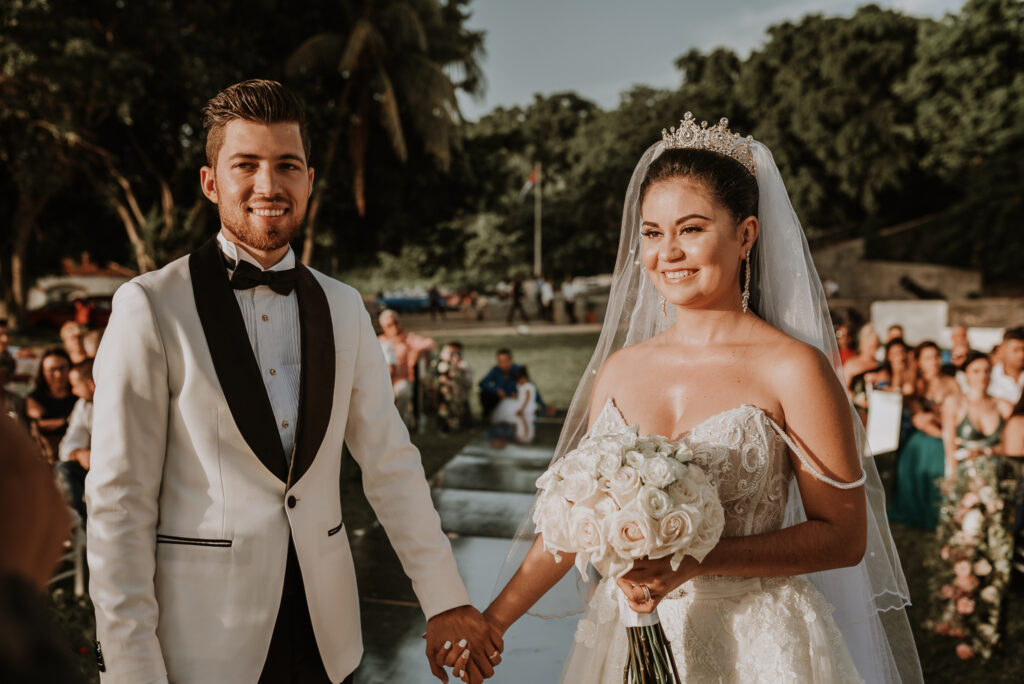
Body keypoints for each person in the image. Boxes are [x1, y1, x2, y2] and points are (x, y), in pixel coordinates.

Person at [458, 117, 920, 683]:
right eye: (651, 233)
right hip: (624, 639)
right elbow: (575, 522)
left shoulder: (794, 369)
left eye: (692, 228)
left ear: (746, 234)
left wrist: (697, 559)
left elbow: (844, 538)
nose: (667, 252)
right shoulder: (621, 370)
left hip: (755, 643)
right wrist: (494, 621)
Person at [86, 80, 500, 684]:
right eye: (245, 165)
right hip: (200, 647)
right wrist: (130, 670)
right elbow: (118, 505)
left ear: (308, 180)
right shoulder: (149, 305)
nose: (268, 185)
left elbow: (391, 463)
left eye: (286, 165)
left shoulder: (345, 306)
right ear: (210, 182)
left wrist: (445, 597)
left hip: (327, 643)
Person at [887, 342, 962, 529]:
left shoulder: (951, 382)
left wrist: (945, 426)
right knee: (927, 449)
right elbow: (919, 420)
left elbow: (959, 413)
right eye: (928, 358)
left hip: (950, 431)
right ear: (919, 362)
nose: (934, 361)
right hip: (926, 436)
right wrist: (942, 427)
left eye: (936, 356)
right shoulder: (917, 385)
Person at [941, 351, 1012, 478]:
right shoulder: (954, 403)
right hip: (965, 475)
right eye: (976, 371)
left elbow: (1011, 444)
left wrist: (988, 451)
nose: (982, 376)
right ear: (965, 374)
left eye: (987, 371)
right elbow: (949, 445)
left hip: (997, 475)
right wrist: (952, 478)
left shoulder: (1004, 406)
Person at [378, 308, 437, 427]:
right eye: (389, 325)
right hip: (381, 382)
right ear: (384, 328)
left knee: (402, 391)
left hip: (403, 379)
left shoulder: (409, 338)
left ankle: (399, 425)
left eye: (396, 322)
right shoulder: (379, 341)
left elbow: (430, 343)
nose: (394, 326)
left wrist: (418, 351)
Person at [56, 359, 96, 524]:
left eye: (75, 385)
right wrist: (79, 453)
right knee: (64, 469)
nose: (73, 391)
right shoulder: (83, 406)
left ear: (91, 385)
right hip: (94, 467)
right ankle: (83, 526)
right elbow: (67, 445)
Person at [25, 348, 77, 464]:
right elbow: (37, 425)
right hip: (47, 457)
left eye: (62, 368)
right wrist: (68, 420)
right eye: (52, 370)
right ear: (42, 372)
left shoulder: (79, 396)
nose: (58, 375)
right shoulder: (35, 398)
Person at [478, 349, 549, 420]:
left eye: (505, 361)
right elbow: (482, 383)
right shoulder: (496, 370)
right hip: (499, 399)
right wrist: (497, 390)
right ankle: (486, 415)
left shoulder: (518, 370)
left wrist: (543, 406)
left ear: (511, 360)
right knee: (484, 394)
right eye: (500, 362)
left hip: (514, 399)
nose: (503, 364)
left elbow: (530, 388)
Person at [487, 367, 538, 448]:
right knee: (506, 404)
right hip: (520, 403)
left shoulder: (528, 386)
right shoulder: (521, 385)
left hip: (525, 406)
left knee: (506, 405)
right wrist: (516, 396)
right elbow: (522, 396)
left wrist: (522, 409)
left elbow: (527, 399)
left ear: (524, 378)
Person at [988, 327, 1024, 404]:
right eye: (1016, 350)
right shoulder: (989, 377)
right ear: (1002, 349)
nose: (1021, 355)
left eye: (1023, 349)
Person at [843, 323, 881, 390]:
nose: (873, 350)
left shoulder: (880, 365)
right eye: (870, 347)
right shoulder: (851, 364)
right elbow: (844, 387)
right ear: (861, 345)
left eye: (876, 346)